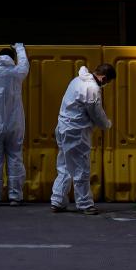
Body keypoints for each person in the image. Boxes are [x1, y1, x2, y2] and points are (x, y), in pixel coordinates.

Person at [50, 62, 115, 215]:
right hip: (76, 132)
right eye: (108, 82)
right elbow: (96, 114)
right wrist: (107, 124)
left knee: (65, 166)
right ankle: (85, 204)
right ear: (104, 78)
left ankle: (57, 201)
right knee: (81, 168)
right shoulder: (92, 88)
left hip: (63, 128)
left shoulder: (76, 80)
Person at [0, 43, 29, 205]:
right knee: (15, 158)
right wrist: (20, 48)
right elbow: (24, 64)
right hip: (15, 125)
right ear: (12, 59)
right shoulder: (17, 73)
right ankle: (15, 197)